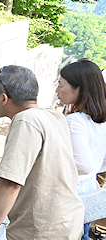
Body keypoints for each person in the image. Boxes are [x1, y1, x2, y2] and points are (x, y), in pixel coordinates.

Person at [0, 65, 84, 240]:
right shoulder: (52, 116)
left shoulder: (25, 120)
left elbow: (11, 181)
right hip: (68, 222)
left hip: (43, 230)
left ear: (3, 98)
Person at [56, 59, 106, 239]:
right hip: (88, 196)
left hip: (68, 200)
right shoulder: (100, 120)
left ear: (79, 89)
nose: (57, 90)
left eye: (61, 84)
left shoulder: (74, 120)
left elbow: (83, 165)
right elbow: (100, 163)